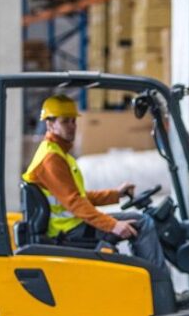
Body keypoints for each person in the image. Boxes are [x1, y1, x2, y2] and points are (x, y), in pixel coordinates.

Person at [22, 94, 167, 272]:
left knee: (137, 222)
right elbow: (76, 203)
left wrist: (115, 194)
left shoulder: (58, 153)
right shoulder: (52, 158)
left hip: (72, 226)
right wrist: (113, 226)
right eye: (65, 122)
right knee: (143, 223)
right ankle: (157, 285)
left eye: (73, 121)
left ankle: (147, 280)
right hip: (69, 232)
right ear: (50, 124)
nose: (72, 127)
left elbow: (76, 197)